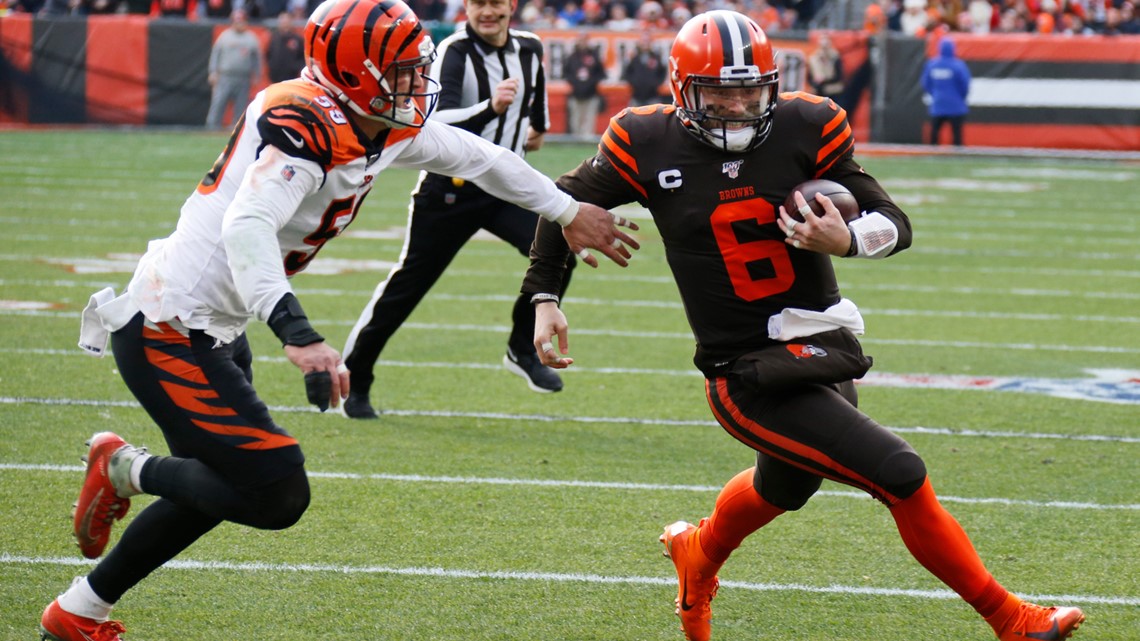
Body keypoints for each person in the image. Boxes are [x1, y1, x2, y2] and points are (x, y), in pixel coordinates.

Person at [37, 1, 637, 639]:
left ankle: (77, 611)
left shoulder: (380, 119)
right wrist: (298, 333)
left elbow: (481, 158)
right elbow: (247, 225)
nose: (418, 84)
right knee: (275, 491)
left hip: (216, 325)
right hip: (169, 324)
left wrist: (568, 210)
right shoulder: (301, 118)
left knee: (220, 484)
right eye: (402, 71)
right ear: (355, 74)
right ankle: (123, 468)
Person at [522, 10, 1084, 641]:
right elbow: (560, 203)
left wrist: (847, 239)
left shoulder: (806, 122)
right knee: (900, 471)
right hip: (743, 369)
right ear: (682, 90)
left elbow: (893, 220)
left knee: (785, 485)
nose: (737, 106)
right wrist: (546, 294)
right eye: (720, 92)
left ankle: (697, 554)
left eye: (749, 90)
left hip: (820, 340)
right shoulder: (645, 142)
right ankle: (1013, 622)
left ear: (772, 84)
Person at [340, 0, 576, 419]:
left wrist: (518, 133)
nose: (488, 12)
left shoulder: (530, 49)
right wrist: (492, 109)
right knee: (408, 287)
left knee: (561, 251)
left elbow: (537, 125)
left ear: (511, 6)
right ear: (467, 7)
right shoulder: (454, 50)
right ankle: (355, 377)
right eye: (479, 3)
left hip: (505, 188)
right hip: (451, 189)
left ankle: (521, 349)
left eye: (496, 3)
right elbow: (434, 122)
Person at [205, 9, 262, 130]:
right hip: (225, 76)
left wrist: (257, 75)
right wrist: (213, 72)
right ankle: (211, 128)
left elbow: (256, 59)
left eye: (241, 21)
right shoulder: (224, 36)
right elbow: (215, 55)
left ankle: (237, 131)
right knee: (218, 103)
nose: (239, 24)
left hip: (243, 77)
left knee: (241, 106)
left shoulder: (251, 38)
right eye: (236, 21)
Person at [921, 36, 971, 146]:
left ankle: (932, 156)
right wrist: (960, 97)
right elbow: (965, 85)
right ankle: (958, 156)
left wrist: (935, 95)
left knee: (934, 134)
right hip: (956, 106)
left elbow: (926, 84)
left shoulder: (932, 65)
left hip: (938, 104)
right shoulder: (959, 66)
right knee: (957, 136)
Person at [562, 31, 607, 138]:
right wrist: (575, 83)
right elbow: (566, 73)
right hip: (575, 93)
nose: (582, 42)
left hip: (591, 94)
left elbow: (601, 73)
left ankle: (587, 142)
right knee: (575, 121)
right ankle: (576, 141)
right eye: (580, 40)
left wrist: (591, 84)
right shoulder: (572, 57)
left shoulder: (594, 56)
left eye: (584, 40)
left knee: (589, 121)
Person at [622, 32, 666, 107]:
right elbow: (626, 72)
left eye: (647, 40)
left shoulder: (656, 56)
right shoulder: (634, 57)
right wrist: (634, 82)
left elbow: (662, 71)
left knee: (654, 117)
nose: (645, 43)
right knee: (634, 117)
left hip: (653, 96)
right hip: (636, 96)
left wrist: (655, 83)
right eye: (644, 40)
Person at [265, 11, 305, 83]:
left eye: (286, 19)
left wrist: (294, 67)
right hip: (275, 77)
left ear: (291, 21)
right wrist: (272, 66)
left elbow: (303, 57)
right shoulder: (274, 38)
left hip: (291, 78)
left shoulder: (297, 39)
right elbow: (268, 54)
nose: (284, 22)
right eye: (282, 19)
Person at [806, 32, 844, 103]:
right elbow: (809, 77)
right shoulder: (813, 58)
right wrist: (816, 83)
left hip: (833, 91)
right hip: (818, 92)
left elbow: (838, 76)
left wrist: (824, 80)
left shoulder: (835, 57)